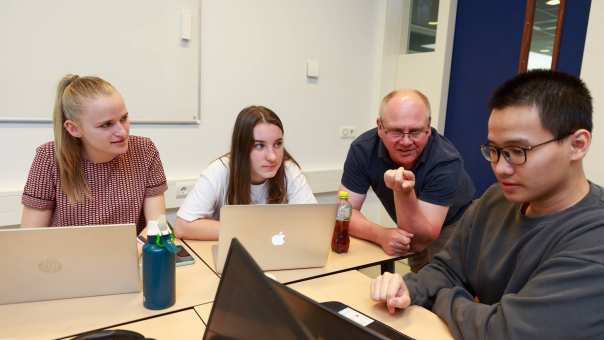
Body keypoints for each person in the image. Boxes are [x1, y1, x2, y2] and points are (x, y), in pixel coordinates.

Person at [370, 70, 604, 339]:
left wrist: (441, 297)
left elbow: (506, 332)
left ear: (577, 144)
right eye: (494, 151)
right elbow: (446, 268)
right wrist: (411, 288)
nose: (501, 168)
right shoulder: (496, 199)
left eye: (517, 152)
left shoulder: (594, 238)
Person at [21, 75, 167, 243]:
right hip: (69, 262)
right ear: (74, 129)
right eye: (106, 124)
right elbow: (30, 239)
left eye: (124, 118)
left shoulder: (144, 150)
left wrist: (130, 254)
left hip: (132, 257)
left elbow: (158, 226)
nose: (122, 131)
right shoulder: (48, 158)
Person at [340, 89, 475, 272]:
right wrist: (381, 235)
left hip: (455, 224)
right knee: (417, 284)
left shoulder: (445, 160)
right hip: (411, 226)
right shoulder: (363, 149)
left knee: (439, 288)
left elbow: (420, 241)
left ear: (428, 127)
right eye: (396, 131)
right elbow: (344, 212)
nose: (405, 141)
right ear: (380, 126)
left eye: (415, 132)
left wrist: (403, 193)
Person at [174, 105, 317, 240]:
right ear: (241, 148)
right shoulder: (220, 171)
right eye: (259, 146)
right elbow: (182, 227)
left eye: (278, 144)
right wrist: (253, 230)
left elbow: (313, 222)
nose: (272, 157)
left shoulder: (289, 170)